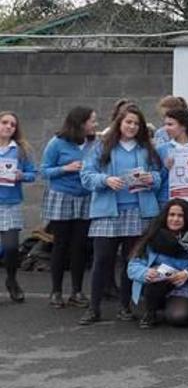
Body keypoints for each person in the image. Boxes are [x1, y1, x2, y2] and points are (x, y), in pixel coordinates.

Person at [79, 105, 163, 325]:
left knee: (130, 261)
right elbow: (86, 175)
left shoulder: (146, 148)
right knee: (102, 259)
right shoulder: (102, 146)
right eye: (128, 122)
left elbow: (159, 177)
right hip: (108, 211)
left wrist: (150, 179)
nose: (132, 127)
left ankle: (125, 306)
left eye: (136, 123)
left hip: (138, 211)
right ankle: (93, 307)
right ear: (119, 123)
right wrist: (105, 180)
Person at [125, 199, 188, 328]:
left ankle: (177, 308)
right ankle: (151, 312)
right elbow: (132, 266)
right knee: (153, 285)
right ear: (165, 216)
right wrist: (146, 272)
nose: (175, 219)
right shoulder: (152, 236)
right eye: (171, 215)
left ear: (187, 218)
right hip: (155, 287)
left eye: (180, 216)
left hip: (183, 286)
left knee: (180, 317)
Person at [42, 106, 97, 308]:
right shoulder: (57, 143)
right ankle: (56, 291)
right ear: (81, 123)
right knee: (60, 245)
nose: (95, 124)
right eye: (92, 120)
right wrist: (66, 168)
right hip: (62, 196)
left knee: (80, 246)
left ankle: (77, 291)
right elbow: (45, 171)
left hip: (85, 198)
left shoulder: (94, 143)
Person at [0, 111, 36, 302]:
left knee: (11, 247)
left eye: (12, 124)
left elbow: (33, 173)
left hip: (10, 204)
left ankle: (12, 280)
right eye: (4, 122)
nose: (8, 127)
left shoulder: (21, 150)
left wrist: (21, 175)